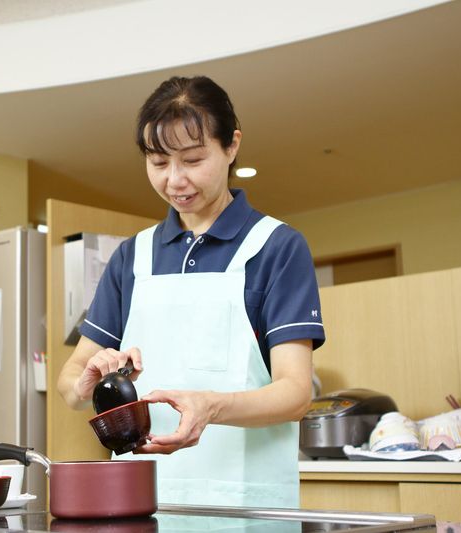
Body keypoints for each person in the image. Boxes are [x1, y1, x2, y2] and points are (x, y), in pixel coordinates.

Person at [57, 75, 325, 509]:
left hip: (246, 506)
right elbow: (70, 383)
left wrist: (210, 407)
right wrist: (86, 381)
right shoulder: (133, 256)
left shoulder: (276, 247)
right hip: (138, 500)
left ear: (232, 146)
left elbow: (295, 393)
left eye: (193, 160)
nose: (175, 180)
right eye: (158, 163)